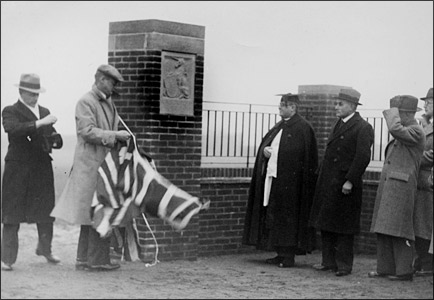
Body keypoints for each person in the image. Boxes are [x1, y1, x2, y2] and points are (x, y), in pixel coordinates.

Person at [50, 64, 130, 272]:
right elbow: (86, 131)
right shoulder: (86, 101)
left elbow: (101, 130)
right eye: (112, 82)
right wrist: (115, 136)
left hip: (100, 165)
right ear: (101, 79)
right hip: (91, 166)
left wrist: (117, 136)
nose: (113, 87)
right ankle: (97, 261)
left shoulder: (107, 102)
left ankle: (84, 259)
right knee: (98, 210)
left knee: (92, 211)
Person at [242, 93, 318, 268]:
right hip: (275, 179)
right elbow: (269, 145)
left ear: (293, 107)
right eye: (280, 104)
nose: (280, 108)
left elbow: (302, 155)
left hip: (293, 184)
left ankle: (288, 256)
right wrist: (265, 152)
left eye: (284, 105)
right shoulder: (279, 126)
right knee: (274, 215)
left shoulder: (303, 128)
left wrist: (275, 153)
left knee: (289, 218)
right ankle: (279, 253)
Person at [309, 88, 374, 277]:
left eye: (340, 104)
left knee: (344, 226)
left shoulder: (363, 127)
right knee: (328, 223)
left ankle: (344, 265)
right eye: (336, 103)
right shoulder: (338, 124)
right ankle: (328, 262)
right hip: (330, 182)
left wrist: (350, 181)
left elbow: (362, 157)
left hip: (346, 185)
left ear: (352, 106)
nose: (336, 107)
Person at [1, 73, 63, 271]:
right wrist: (41, 123)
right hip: (17, 168)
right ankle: (7, 259)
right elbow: (13, 130)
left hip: (41, 166)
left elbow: (49, 135)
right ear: (20, 92)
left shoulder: (44, 110)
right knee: (12, 213)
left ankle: (45, 249)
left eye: (37, 94)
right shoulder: (10, 110)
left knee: (45, 210)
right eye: (30, 94)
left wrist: (55, 139)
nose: (34, 98)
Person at [369, 95, 425, 282]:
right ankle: (385, 268)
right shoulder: (408, 131)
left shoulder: (416, 130)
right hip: (392, 186)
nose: (396, 116)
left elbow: (394, 128)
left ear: (408, 114)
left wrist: (392, 109)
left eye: (399, 113)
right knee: (384, 229)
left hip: (401, 187)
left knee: (400, 230)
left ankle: (403, 272)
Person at [413, 88, 433, 276]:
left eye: (429, 102)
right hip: (421, 182)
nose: (426, 105)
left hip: (429, 182)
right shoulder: (425, 125)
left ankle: (427, 263)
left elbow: (430, 155)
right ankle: (422, 259)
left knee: (426, 224)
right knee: (420, 223)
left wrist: (413, 158)